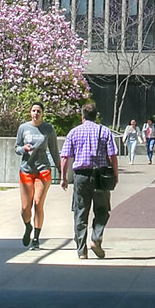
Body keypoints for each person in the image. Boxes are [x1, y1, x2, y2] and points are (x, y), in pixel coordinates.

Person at [59, 104, 119, 259]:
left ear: (82, 116)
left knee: (80, 212)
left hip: (81, 177)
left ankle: (81, 250)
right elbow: (112, 156)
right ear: (96, 116)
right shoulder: (104, 131)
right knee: (102, 210)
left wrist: (63, 178)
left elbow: (65, 157)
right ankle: (96, 238)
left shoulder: (74, 132)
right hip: (100, 176)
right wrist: (115, 174)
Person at [14, 102, 58, 249]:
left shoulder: (48, 129)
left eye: (38, 111)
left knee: (38, 203)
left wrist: (61, 170)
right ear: (30, 112)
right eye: (33, 111)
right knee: (26, 207)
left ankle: (36, 239)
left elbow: (54, 150)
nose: (36, 113)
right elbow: (16, 148)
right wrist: (23, 149)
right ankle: (28, 226)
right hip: (26, 169)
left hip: (42, 170)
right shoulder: (23, 128)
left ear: (42, 113)